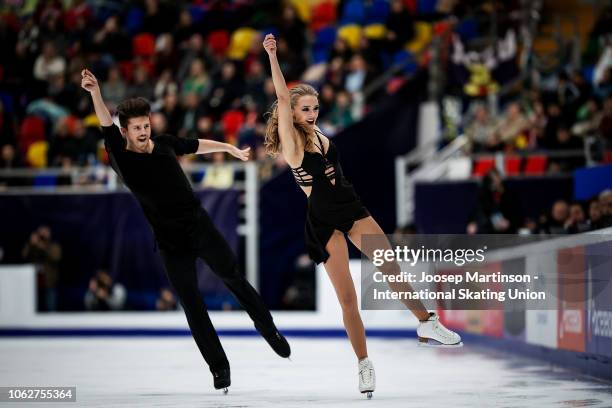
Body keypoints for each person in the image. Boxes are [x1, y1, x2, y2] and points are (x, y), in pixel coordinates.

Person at [262, 34, 461, 398]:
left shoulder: (319, 133)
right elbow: (279, 95)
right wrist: (273, 55)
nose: (311, 114)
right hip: (323, 220)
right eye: (304, 110)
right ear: (291, 112)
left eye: (314, 109)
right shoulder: (291, 143)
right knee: (349, 300)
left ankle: (426, 323)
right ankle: (364, 365)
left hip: (352, 207)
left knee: (391, 268)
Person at [80, 69, 290, 392]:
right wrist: (95, 91)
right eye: (136, 128)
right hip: (169, 241)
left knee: (233, 275)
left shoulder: (163, 144)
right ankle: (219, 368)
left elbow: (194, 145)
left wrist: (229, 149)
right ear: (125, 131)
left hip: (197, 224)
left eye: (146, 125)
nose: (143, 132)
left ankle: (269, 329)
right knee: (192, 304)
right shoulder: (119, 154)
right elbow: (105, 122)